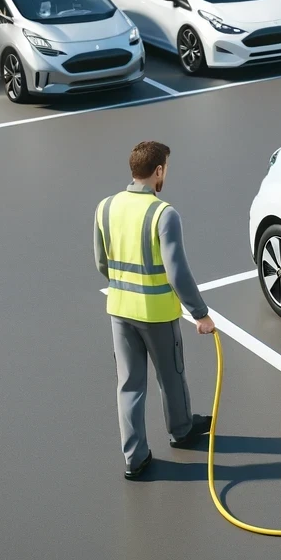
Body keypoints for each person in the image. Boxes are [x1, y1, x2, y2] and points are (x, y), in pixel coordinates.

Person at [94, 140, 216, 480]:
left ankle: (135, 459)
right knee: (172, 376)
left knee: (129, 385)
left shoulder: (104, 207)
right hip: (157, 313)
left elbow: (101, 262)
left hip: (119, 309)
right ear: (158, 170)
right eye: (166, 171)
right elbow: (177, 271)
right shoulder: (164, 213)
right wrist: (200, 313)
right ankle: (181, 430)